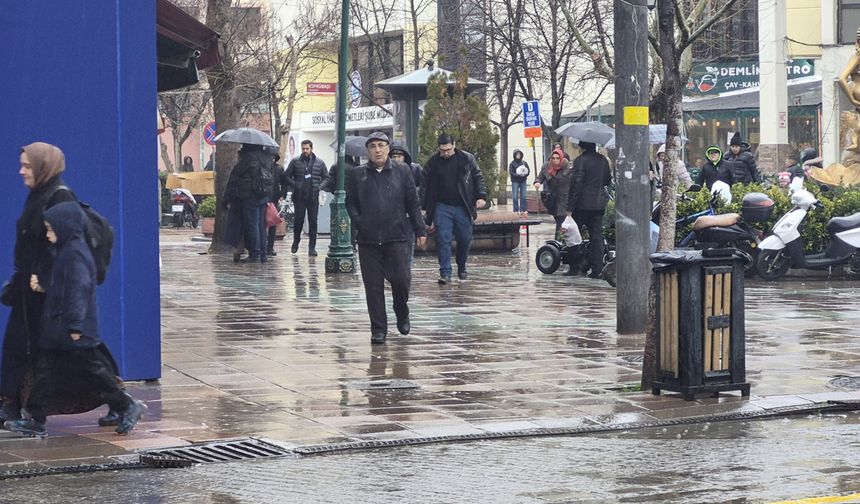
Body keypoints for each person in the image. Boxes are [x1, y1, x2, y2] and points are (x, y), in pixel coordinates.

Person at [4, 202, 146, 437]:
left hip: (72, 328)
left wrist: (76, 326)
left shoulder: (74, 254)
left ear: (64, 227)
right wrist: (43, 286)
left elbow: (78, 290)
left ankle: (125, 404)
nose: (48, 234)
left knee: (94, 372)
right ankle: (37, 419)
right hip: (59, 325)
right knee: (44, 372)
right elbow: (62, 285)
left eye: (51, 229)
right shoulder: (65, 251)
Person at [0, 143, 76, 423]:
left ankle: (117, 399)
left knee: (72, 354)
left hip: (45, 288)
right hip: (26, 287)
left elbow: (66, 245)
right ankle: (9, 402)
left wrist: (44, 277)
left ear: (44, 166)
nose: (21, 171)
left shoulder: (59, 197)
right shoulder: (36, 196)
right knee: (16, 345)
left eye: (27, 166)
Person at [345, 132, 427, 345]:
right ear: (368, 150)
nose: (377, 150)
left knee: (401, 281)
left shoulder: (402, 171)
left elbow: (413, 202)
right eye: (373, 146)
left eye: (381, 145)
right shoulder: (357, 174)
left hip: (397, 237)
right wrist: (359, 222)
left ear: (388, 148)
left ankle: (401, 310)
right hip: (368, 240)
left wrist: (420, 230)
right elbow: (351, 203)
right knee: (373, 287)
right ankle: (378, 329)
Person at [422, 134, 488, 285]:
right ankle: (445, 272)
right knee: (443, 239)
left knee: (465, 238)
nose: (445, 153)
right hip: (441, 206)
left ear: (454, 145)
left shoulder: (466, 159)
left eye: (448, 150)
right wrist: (424, 206)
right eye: (442, 150)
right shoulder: (433, 163)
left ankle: (461, 265)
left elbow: (478, 177)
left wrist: (481, 196)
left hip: (462, 205)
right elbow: (425, 185)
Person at [566, 141, 612, 279]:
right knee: (596, 237)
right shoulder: (602, 160)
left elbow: (576, 184)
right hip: (598, 205)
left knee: (573, 236)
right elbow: (607, 180)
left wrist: (570, 207)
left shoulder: (580, 161)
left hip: (581, 205)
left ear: (581, 147)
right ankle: (597, 269)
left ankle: (577, 267)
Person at [223, 143, 272, 263]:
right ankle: (263, 254)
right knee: (261, 225)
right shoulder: (266, 158)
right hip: (263, 195)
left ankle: (255, 254)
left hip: (249, 196)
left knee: (253, 225)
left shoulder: (248, 158)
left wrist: (227, 198)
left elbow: (235, 176)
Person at [282, 140, 329, 256]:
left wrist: (320, 186)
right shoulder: (295, 162)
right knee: (298, 221)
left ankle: (312, 247)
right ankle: (296, 242)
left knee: (313, 222)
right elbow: (286, 176)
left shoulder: (319, 162)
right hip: (299, 197)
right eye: (303, 148)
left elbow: (327, 177)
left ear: (311, 148)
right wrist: (294, 184)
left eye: (307, 148)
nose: (305, 151)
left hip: (313, 197)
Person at [389, 141, 425, 266]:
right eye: (394, 156)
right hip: (391, 215)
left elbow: (424, 186)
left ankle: (406, 271)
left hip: (409, 214)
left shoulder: (415, 169)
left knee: (408, 246)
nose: (397, 159)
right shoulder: (387, 171)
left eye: (399, 156)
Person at [534, 148, 573, 237]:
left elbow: (562, 179)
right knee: (558, 219)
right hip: (552, 198)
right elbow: (540, 177)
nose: (555, 160)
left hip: (564, 198)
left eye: (557, 158)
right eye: (553, 158)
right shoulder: (547, 167)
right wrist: (537, 182)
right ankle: (560, 240)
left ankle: (559, 241)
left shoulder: (567, 166)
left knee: (561, 220)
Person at [266, 150, 285, 257]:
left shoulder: (279, 169)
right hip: (264, 198)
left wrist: (282, 194)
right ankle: (264, 246)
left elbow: (283, 183)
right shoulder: (263, 167)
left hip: (274, 198)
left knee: (272, 223)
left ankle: (270, 247)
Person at [508, 149, 530, 215]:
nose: (518, 155)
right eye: (517, 154)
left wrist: (524, 174)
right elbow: (511, 172)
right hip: (515, 181)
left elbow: (528, 171)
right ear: (514, 155)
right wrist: (517, 175)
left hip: (523, 180)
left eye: (519, 154)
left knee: (523, 196)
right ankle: (515, 210)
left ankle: (523, 209)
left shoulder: (524, 163)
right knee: (515, 196)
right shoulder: (512, 163)